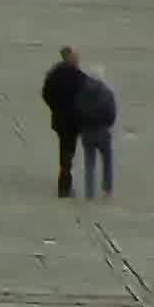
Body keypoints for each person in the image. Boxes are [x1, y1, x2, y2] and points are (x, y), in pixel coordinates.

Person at [39, 46, 96, 198]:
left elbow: (46, 93)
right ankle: (65, 185)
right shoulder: (79, 77)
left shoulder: (54, 74)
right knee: (68, 151)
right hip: (73, 120)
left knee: (65, 148)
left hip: (59, 118)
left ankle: (64, 182)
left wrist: (54, 107)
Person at [73, 66, 118, 199]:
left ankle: (89, 192)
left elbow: (77, 112)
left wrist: (81, 128)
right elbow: (111, 114)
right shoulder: (107, 93)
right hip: (103, 131)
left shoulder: (80, 92)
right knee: (107, 162)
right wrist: (107, 126)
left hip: (86, 132)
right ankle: (107, 190)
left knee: (89, 163)